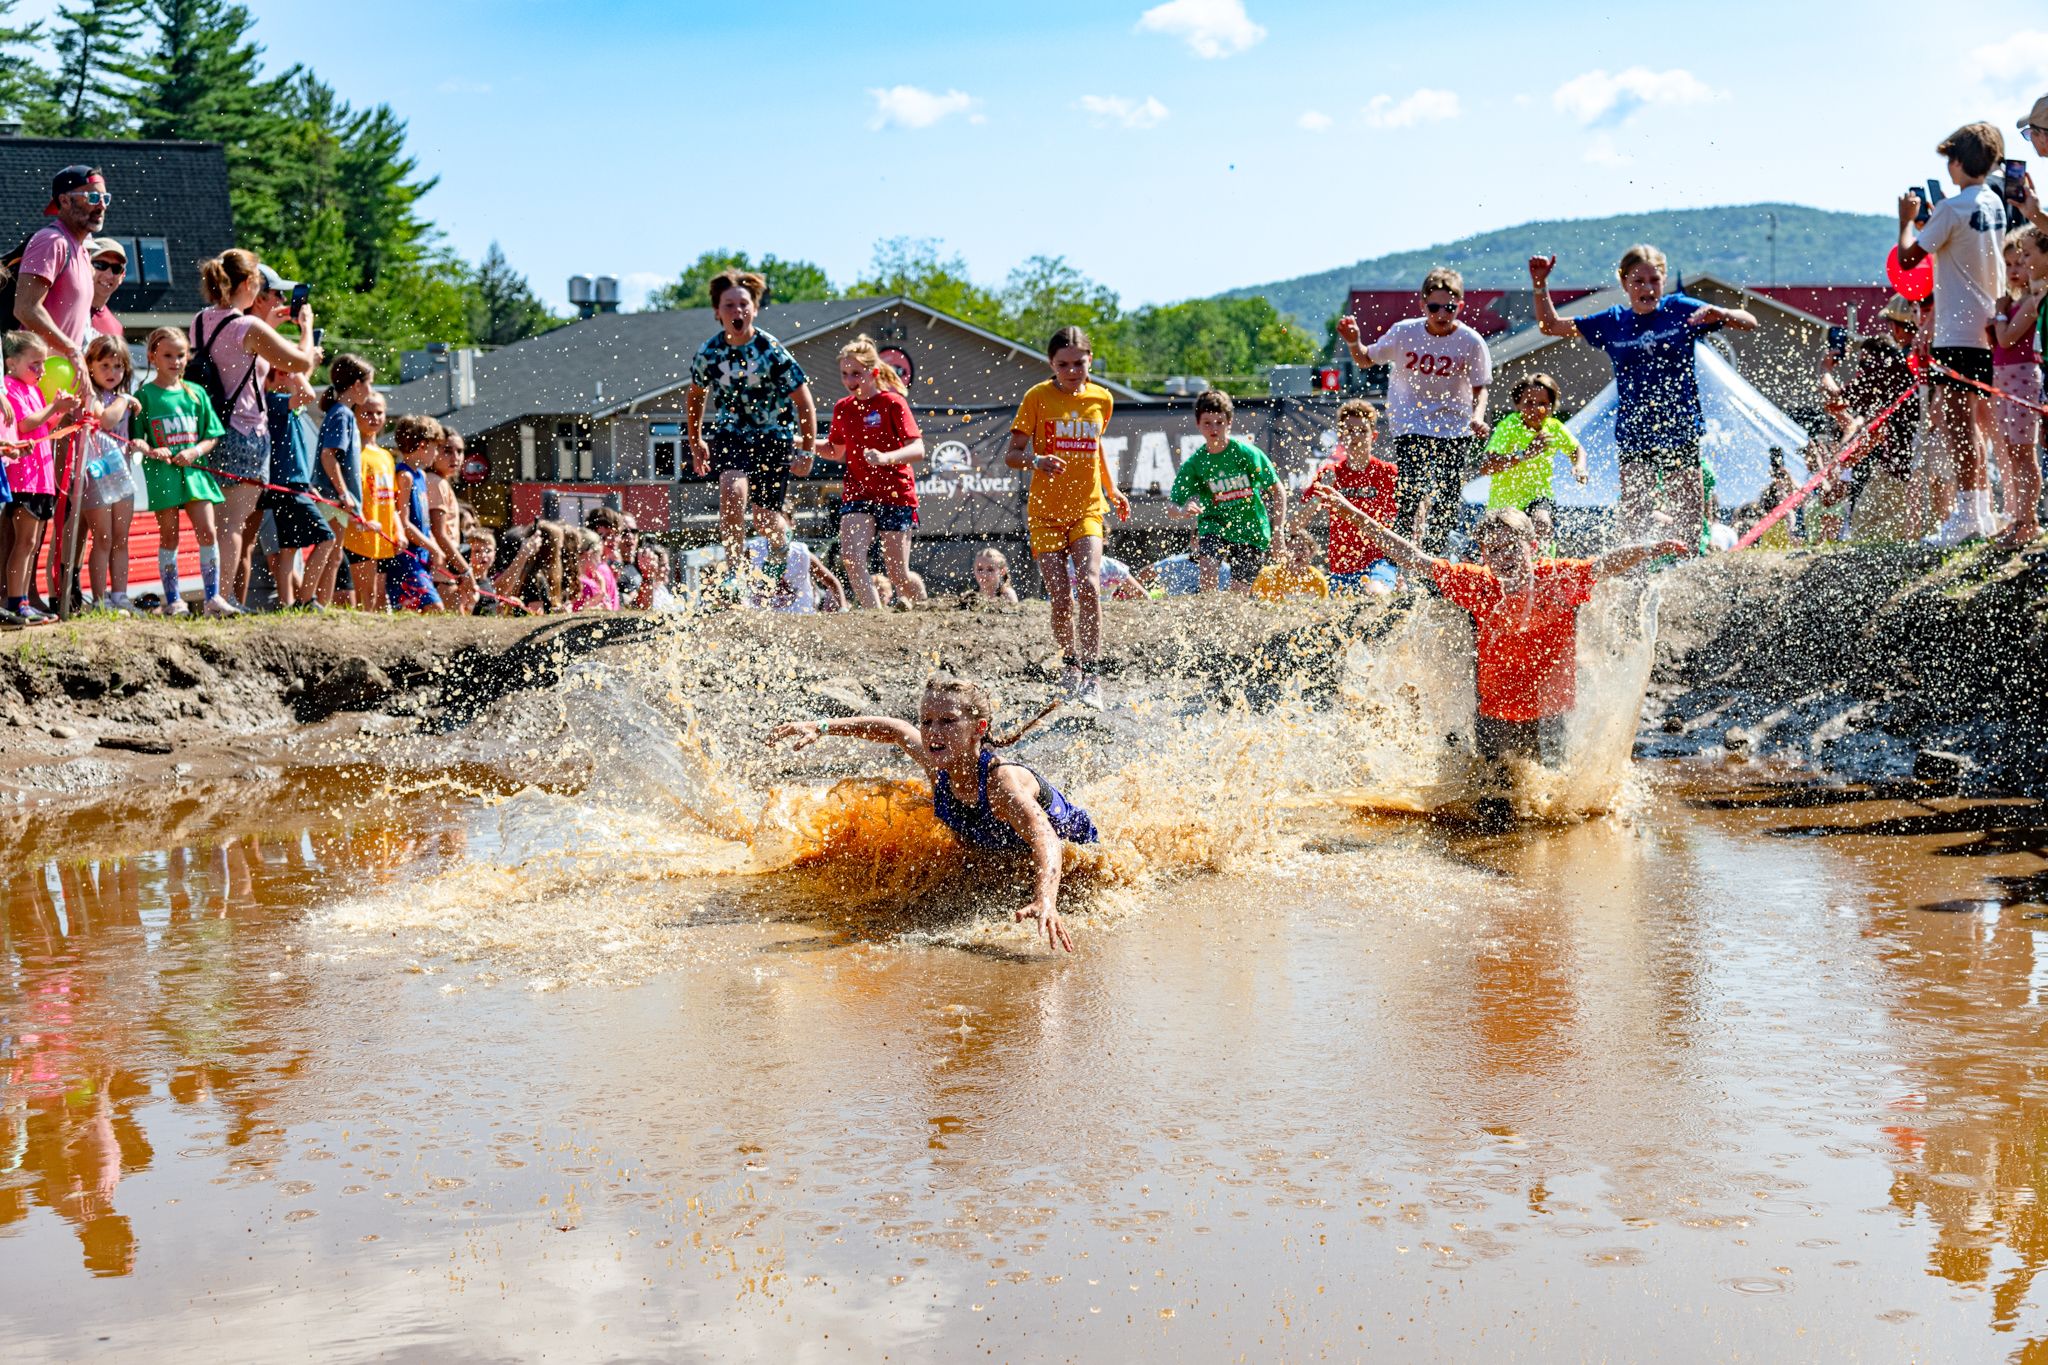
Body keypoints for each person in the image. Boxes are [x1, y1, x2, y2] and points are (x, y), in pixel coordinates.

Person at [1306, 485, 1688, 787]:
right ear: (1484, 555)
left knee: (1552, 799)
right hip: (1494, 711)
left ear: (1533, 546)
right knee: (1493, 794)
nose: (1503, 557)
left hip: (1550, 710)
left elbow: (1606, 564)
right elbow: (1412, 557)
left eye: (1511, 547)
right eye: (1493, 550)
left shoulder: (1557, 578)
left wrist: (1651, 549)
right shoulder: (1478, 584)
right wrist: (1350, 511)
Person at [768, 674, 1097, 952]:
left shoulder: (1001, 782)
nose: (932, 732)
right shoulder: (938, 766)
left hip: (1074, 852)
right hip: (1000, 853)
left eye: (948, 721)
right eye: (926, 721)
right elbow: (895, 730)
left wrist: (1045, 901)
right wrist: (821, 726)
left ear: (978, 728)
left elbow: (1046, 838)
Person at [1529, 245, 1757, 542]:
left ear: (1663, 281)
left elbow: (1750, 323)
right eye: (1638, 281)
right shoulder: (1612, 322)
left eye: (1654, 280)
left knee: (1689, 518)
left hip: (1680, 429)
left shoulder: (1680, 309)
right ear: (1624, 284)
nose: (1647, 288)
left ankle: (1687, 571)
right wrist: (1539, 284)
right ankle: (1637, 575)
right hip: (1635, 432)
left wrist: (1722, 313)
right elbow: (1551, 326)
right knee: (1635, 516)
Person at [1003, 326, 1131, 707]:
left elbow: (1096, 447)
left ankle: (1092, 675)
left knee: (1089, 585)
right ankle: (1070, 666)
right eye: (1063, 364)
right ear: (1051, 364)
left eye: (1079, 363)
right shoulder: (1037, 398)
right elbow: (1012, 454)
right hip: (1045, 513)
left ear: (1090, 360)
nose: (1072, 370)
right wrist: (1037, 461)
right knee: (1060, 596)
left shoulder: (1102, 399)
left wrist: (1113, 489)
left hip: (1088, 507)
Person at [1897, 122, 2009, 546]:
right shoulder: (1993, 202)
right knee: (1978, 425)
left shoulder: (1951, 208)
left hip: (1957, 330)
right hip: (1986, 326)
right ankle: (1979, 510)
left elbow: (1909, 261)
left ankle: (1965, 515)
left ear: (1957, 161)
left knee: (1960, 427)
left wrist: (1906, 220)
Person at [189, 253, 319, 611]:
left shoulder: (201, 322)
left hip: (210, 431)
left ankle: (215, 593)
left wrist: (267, 326)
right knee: (234, 522)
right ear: (247, 285)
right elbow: (302, 361)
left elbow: (233, 358)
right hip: (245, 432)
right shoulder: (249, 328)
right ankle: (223, 597)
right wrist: (305, 328)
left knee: (216, 523)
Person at [1334, 267, 1492, 552]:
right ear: (1422, 305)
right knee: (1412, 490)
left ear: (1461, 306)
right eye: (1434, 307)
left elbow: (1480, 389)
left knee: (1447, 499)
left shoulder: (1471, 342)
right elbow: (1365, 359)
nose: (1442, 314)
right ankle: (1402, 561)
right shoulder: (1404, 332)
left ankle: (1431, 564)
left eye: (1449, 307)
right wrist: (1353, 341)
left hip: (1454, 426)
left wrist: (1477, 418)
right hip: (1411, 422)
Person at [686, 269, 817, 563]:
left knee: (764, 519)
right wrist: (695, 440)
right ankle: (734, 571)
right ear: (717, 312)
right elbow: (696, 395)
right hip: (731, 433)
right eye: (729, 305)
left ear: (754, 310)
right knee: (731, 491)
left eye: (744, 304)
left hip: (773, 436)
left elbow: (804, 402)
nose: (738, 310)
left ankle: (782, 543)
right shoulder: (709, 352)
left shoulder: (770, 351)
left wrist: (807, 450)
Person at [818, 335, 927, 609]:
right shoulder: (842, 408)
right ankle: (875, 616)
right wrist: (803, 442)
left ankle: (924, 607)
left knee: (898, 575)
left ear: (873, 372)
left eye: (856, 373)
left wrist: (885, 458)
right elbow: (835, 451)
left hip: (896, 493)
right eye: (844, 374)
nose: (850, 380)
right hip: (858, 492)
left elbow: (918, 449)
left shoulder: (892, 403)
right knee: (851, 557)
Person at [133, 326, 225, 616]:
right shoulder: (144, 395)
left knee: (207, 531)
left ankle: (212, 597)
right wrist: (150, 450)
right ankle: (173, 600)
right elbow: (135, 439)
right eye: (168, 355)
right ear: (153, 357)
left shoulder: (196, 393)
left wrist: (194, 451)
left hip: (195, 471)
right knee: (169, 535)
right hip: (163, 473)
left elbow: (211, 435)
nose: (175, 361)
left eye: (181, 355)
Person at [1168, 389, 1286, 594]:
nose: (1214, 428)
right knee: (1208, 570)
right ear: (1198, 424)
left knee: (1237, 595)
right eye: (1207, 423)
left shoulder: (1246, 453)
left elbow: (1278, 490)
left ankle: (1228, 619)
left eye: (1219, 422)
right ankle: (1208, 613)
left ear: (1229, 422)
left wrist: (1278, 533)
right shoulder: (1196, 463)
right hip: (1215, 524)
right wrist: (1182, 510)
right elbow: (1171, 506)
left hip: (1251, 529)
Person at [0, 331, 80, 620]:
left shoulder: (34, 391)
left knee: (31, 545)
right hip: (24, 478)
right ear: (11, 363)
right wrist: (54, 408)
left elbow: (43, 427)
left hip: (41, 478)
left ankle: (21, 600)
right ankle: (15, 601)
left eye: (43, 364)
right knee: (22, 544)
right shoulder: (9, 387)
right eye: (35, 364)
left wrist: (59, 413)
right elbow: (24, 425)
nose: (42, 371)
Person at [1309, 398, 1400, 593]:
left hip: (1379, 562)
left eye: (1362, 431)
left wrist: (1405, 564)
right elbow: (1295, 524)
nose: (1356, 436)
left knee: (1374, 592)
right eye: (1349, 431)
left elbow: (1415, 513)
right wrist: (1322, 493)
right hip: (1342, 567)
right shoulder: (1330, 473)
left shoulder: (1389, 473)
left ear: (1373, 436)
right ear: (1341, 436)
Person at [259, 371, 330, 609]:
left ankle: (286, 602)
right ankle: (306, 598)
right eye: (279, 374)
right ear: (267, 380)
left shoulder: (286, 405)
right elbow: (308, 393)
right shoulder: (273, 400)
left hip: (295, 484)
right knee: (326, 537)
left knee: (289, 548)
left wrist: (309, 486)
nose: (286, 377)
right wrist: (294, 371)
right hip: (287, 486)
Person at [78, 334, 139, 612]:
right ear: (90, 365)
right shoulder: (90, 395)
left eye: (118, 366)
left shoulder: (123, 398)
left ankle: (120, 595)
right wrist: (126, 399)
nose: (112, 373)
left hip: (121, 472)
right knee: (102, 537)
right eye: (104, 365)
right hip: (97, 473)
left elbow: (130, 433)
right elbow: (106, 419)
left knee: (120, 537)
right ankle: (101, 599)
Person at [1991, 227, 2043, 545]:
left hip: (2023, 378)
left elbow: (2007, 337)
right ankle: (2017, 516)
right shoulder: (2012, 303)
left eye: (2021, 262)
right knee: (2011, 452)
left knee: (2024, 453)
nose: (2014, 270)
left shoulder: (2033, 300)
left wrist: (1998, 315)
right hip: (2004, 379)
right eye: (2009, 264)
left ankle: (2029, 520)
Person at [307, 354, 373, 607]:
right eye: (369, 383)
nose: (370, 390)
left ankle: (320, 604)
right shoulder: (342, 414)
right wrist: (344, 493)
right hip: (333, 496)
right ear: (356, 385)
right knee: (328, 553)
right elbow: (328, 455)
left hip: (338, 497)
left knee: (334, 556)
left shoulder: (343, 413)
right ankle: (312, 601)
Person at [1477, 373, 1586, 513]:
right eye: (1529, 403)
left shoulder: (1554, 427)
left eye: (1542, 404)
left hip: (1539, 496)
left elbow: (1577, 449)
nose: (1535, 409)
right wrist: (1524, 454)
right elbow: (1486, 467)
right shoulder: (1509, 426)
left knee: (1542, 522)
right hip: (1505, 503)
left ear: (1551, 406)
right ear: (1518, 404)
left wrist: (1580, 466)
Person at [384, 414, 445, 614]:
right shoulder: (405, 476)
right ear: (422, 445)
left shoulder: (421, 475)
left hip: (419, 554)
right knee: (434, 607)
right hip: (406, 555)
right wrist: (434, 548)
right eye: (435, 447)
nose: (436, 454)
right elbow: (404, 523)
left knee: (413, 610)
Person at [344, 392, 398, 610]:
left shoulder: (386, 455)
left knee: (378, 593)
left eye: (379, 412)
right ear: (355, 414)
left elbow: (392, 498)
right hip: (359, 533)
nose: (374, 417)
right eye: (367, 413)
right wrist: (359, 519)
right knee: (363, 593)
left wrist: (398, 530)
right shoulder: (353, 451)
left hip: (382, 535)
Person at [739, 501, 843, 612]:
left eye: (778, 521)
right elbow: (741, 579)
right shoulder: (754, 549)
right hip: (763, 618)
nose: (774, 527)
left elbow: (831, 582)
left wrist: (843, 609)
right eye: (770, 522)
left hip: (799, 616)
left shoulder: (801, 553)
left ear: (791, 524)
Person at [423, 431, 474, 612]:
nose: (456, 457)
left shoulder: (433, 480)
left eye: (460, 451)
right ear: (434, 451)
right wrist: (465, 571)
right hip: (440, 575)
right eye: (447, 451)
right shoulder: (436, 483)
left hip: (438, 572)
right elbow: (439, 533)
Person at [1252, 531, 1331, 601]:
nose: (1296, 553)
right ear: (1284, 552)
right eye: (1292, 549)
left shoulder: (1317, 579)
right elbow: (1254, 602)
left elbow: (1322, 608)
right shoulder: (1268, 575)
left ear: (1312, 552)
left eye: (1301, 549)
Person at [570, 526, 618, 611]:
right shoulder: (588, 584)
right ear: (590, 553)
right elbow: (608, 610)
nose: (600, 561)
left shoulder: (570, 579)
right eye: (599, 555)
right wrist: (602, 591)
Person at [86, 237, 125, 338]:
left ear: (122, 276)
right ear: (85, 265)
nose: (109, 275)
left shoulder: (116, 329)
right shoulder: (63, 308)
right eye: (100, 265)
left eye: (116, 268)